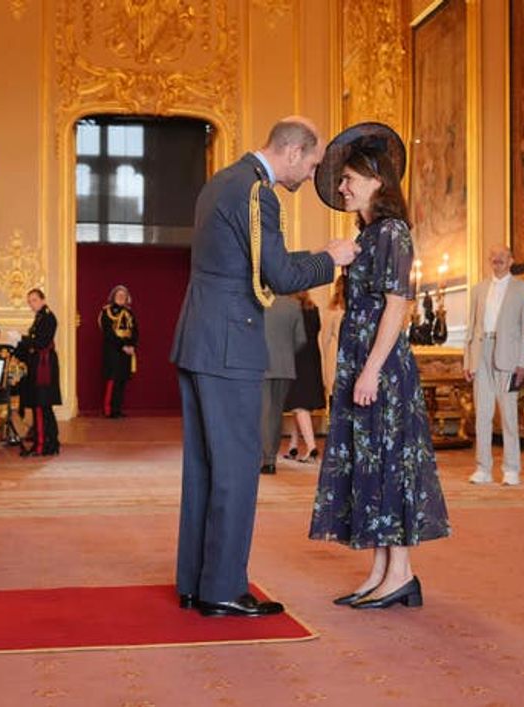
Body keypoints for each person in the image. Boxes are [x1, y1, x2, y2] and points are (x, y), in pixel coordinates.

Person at [169, 116, 358, 618]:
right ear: (292, 153)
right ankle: (224, 590)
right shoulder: (259, 194)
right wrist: (330, 257)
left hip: (200, 339)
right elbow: (277, 272)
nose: (312, 176)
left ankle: (195, 582)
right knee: (235, 468)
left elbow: (242, 264)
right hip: (231, 344)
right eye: (313, 163)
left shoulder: (220, 182)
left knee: (204, 469)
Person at [309, 122, 450, 610]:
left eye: (349, 178)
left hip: (382, 366)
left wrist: (370, 370)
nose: (342, 187)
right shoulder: (368, 235)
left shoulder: (392, 232)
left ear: (376, 181)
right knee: (368, 463)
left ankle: (403, 573)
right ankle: (380, 570)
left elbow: (397, 305)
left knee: (390, 464)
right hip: (362, 360)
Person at [463, 246, 524, 486]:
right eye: (493, 257)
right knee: (482, 415)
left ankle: (511, 469)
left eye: (502, 256)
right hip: (481, 353)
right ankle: (483, 468)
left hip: (509, 357)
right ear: (489, 260)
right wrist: (468, 360)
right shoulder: (478, 289)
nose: (498, 260)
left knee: (509, 415)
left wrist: (523, 363)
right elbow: (471, 327)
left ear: (511, 260)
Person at [260, 295, 306, 475]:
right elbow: (301, 339)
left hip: (259, 363)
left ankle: (265, 458)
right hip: (285, 366)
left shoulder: (258, 301)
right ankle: (270, 458)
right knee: (276, 413)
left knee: (263, 412)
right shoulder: (293, 305)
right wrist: (286, 352)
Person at [16, 288, 61, 456]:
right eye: (29, 302)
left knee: (41, 406)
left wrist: (22, 340)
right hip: (41, 365)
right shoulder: (41, 316)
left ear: (42, 299)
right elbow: (34, 342)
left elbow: (41, 342)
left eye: (34, 300)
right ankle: (51, 442)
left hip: (45, 366)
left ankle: (42, 445)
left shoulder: (48, 317)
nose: (31, 304)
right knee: (42, 406)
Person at [283, 291, 326, 463]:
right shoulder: (313, 308)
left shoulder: (291, 309)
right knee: (299, 405)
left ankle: (311, 447)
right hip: (312, 359)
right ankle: (293, 446)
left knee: (299, 405)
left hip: (296, 359)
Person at [99, 285, 138, 418]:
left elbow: (135, 331)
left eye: (124, 296)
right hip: (113, 351)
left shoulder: (129, 313)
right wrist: (123, 346)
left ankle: (118, 409)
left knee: (122, 380)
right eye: (119, 295)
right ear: (113, 297)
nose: (121, 298)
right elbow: (109, 333)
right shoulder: (107, 312)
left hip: (126, 351)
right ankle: (109, 410)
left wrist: (132, 345)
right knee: (113, 380)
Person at [321, 274, 346, 401]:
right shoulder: (335, 311)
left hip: (335, 355)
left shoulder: (332, 311)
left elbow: (325, 340)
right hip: (339, 356)